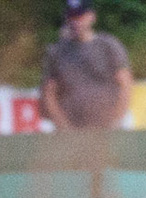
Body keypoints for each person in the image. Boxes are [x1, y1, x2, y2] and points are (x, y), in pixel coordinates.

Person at [42, 0, 133, 131]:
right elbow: (49, 93)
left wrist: (116, 120)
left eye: (79, 16)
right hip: (73, 130)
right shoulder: (57, 52)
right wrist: (63, 127)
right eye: (71, 16)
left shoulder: (108, 46)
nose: (75, 21)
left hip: (106, 128)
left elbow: (125, 84)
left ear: (92, 16)